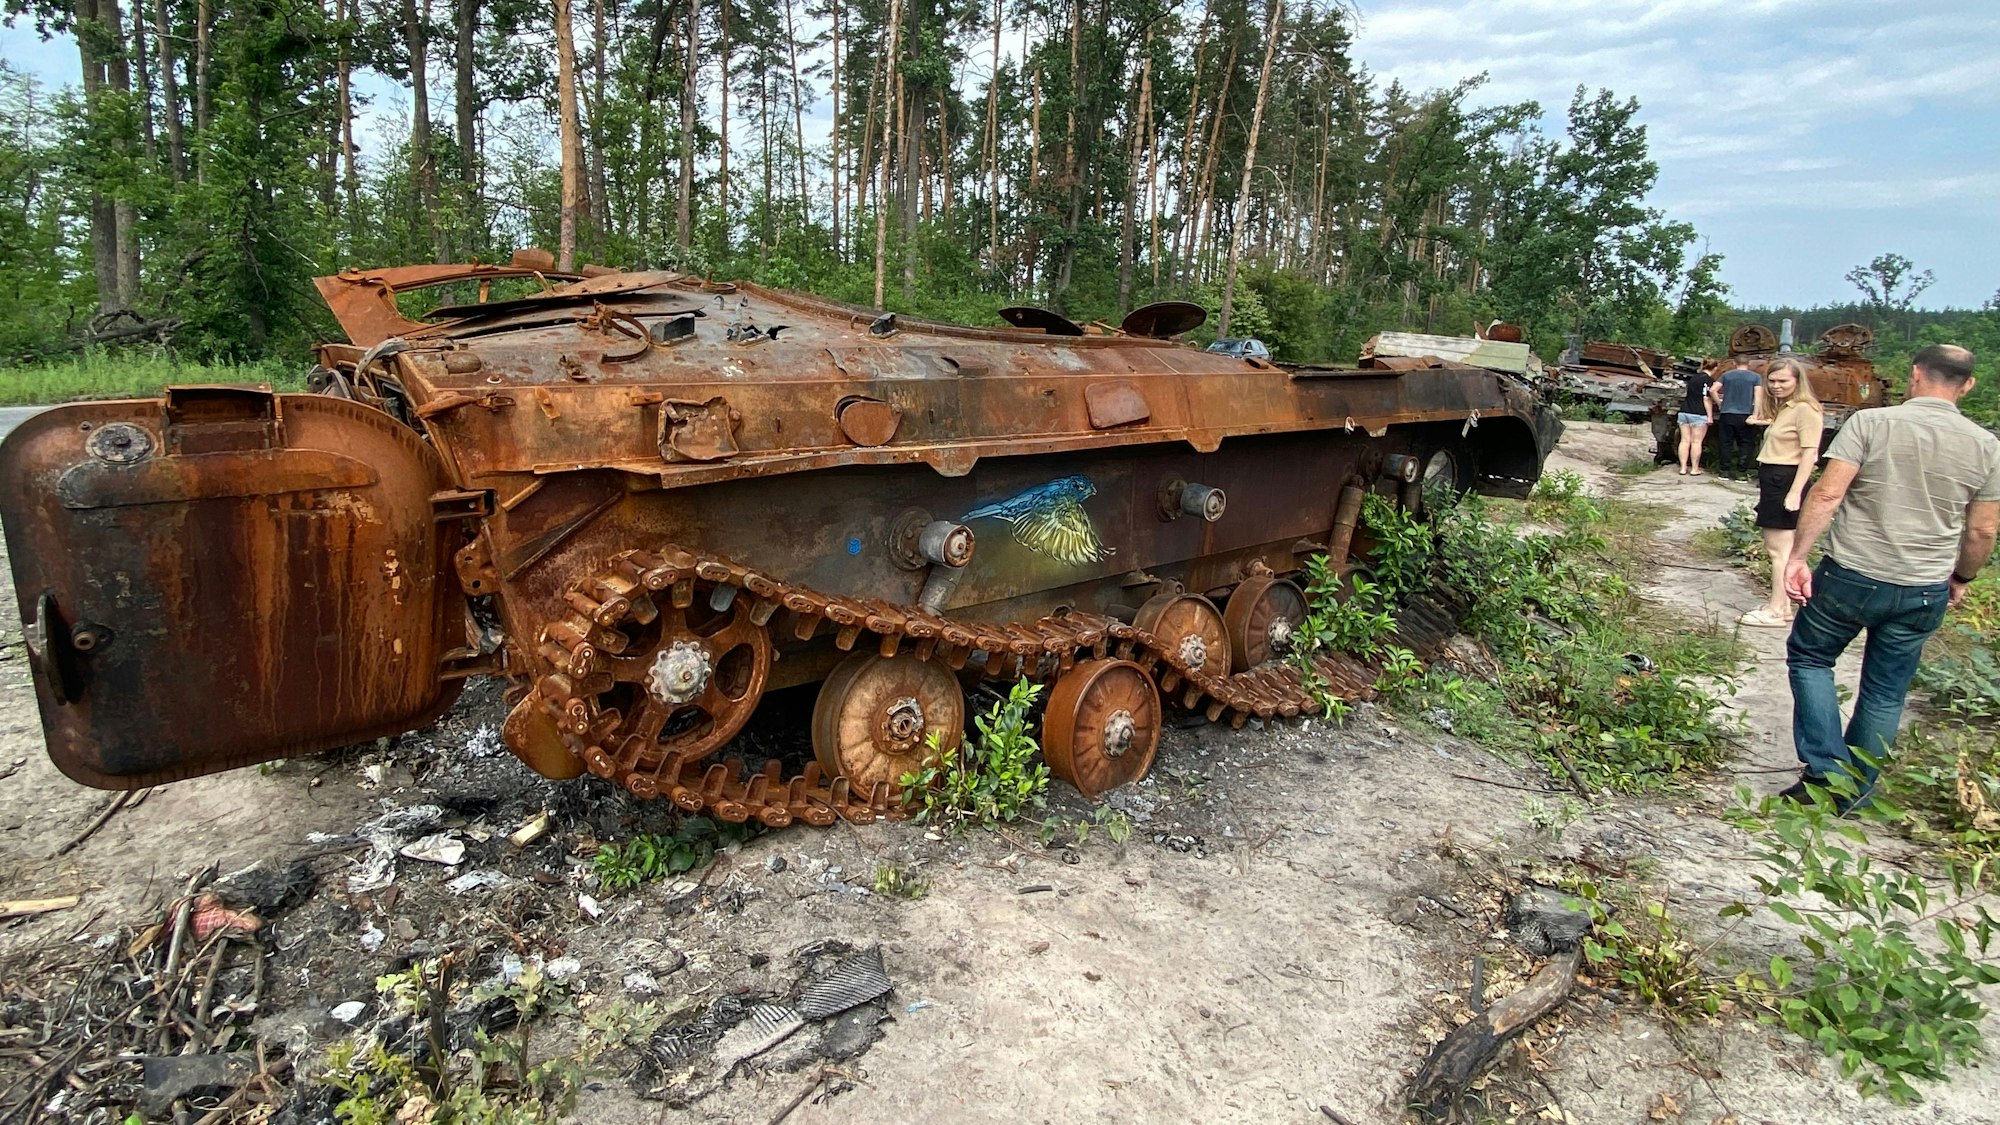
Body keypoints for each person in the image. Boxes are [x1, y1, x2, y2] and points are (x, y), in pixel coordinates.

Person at [1781, 344, 2000, 806]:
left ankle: (1824, 772)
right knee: (1885, 691)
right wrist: (1961, 578)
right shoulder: (1986, 446)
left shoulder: (1871, 423)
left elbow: (1826, 496)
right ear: (1968, 385)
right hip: (1924, 586)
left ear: (1915, 374)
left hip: (1852, 574)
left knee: (1811, 658)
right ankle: (1853, 790)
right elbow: (1982, 529)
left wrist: (1798, 556)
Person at [1740, 358, 1823, 628]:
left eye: (1783, 381)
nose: (1776, 386)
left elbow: (1810, 453)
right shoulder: (1786, 409)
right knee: (1779, 547)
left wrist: (1795, 492)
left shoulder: (1805, 410)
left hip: (1785, 478)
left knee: (1779, 550)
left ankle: (1776, 610)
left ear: (1798, 381)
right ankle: (1782, 605)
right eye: (1772, 381)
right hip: (1775, 475)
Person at [1710, 364, 1762, 476]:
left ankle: (1724, 471)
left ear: (1735, 363)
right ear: (1748, 364)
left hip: (1727, 413)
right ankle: (1741, 472)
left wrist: (1720, 404)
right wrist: (1755, 414)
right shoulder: (1755, 377)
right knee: (1746, 443)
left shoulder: (1726, 375)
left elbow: (1713, 390)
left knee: (1725, 442)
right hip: (1745, 414)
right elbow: (1758, 396)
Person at [1674, 362, 1715, 475]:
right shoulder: (1708, 380)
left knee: (1684, 440)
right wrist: (1710, 416)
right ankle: (1694, 468)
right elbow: (1706, 398)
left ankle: (1683, 468)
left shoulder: (1693, 378)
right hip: (1699, 413)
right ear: (1714, 368)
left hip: (1684, 411)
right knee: (1696, 442)